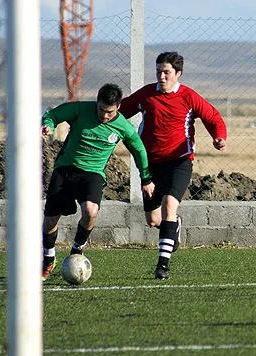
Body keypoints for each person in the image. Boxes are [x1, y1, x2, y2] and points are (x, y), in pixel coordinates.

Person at [121, 51, 227, 280]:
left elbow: (213, 117)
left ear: (178, 73)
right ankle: (173, 225)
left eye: (167, 72)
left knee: (170, 203)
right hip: (150, 165)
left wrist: (219, 137)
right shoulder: (147, 95)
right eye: (159, 71)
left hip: (180, 161)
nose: (161, 76)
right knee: (153, 220)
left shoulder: (189, 97)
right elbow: (120, 112)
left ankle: (163, 266)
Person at [40, 83, 155, 280]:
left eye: (109, 112)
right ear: (97, 102)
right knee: (51, 220)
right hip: (66, 169)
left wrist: (146, 178)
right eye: (101, 109)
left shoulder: (123, 127)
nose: (104, 115)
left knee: (91, 211)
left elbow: (139, 150)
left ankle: (77, 249)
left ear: (118, 107)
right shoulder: (80, 109)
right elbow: (53, 114)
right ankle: (49, 258)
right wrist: (48, 125)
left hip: (92, 174)